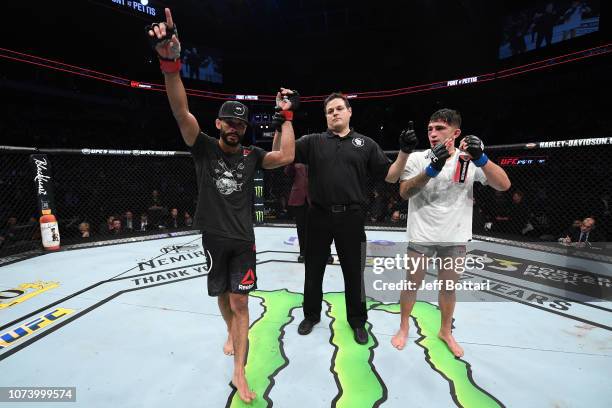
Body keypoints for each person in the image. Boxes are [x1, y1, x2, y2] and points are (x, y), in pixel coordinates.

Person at [147, 8, 296, 403]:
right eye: (229, 122)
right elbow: (181, 110)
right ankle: (229, 331)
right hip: (213, 236)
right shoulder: (204, 148)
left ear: (246, 128)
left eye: (241, 124)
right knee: (221, 297)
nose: (234, 127)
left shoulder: (251, 154)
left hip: (243, 238)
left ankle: (239, 374)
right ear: (218, 124)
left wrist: (286, 116)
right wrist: (170, 64)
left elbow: (286, 156)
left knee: (241, 301)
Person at [294, 92, 418, 344]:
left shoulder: (366, 144)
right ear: (326, 116)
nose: (335, 113)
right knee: (313, 269)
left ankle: (358, 321)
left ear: (349, 111)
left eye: (339, 108)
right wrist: (282, 122)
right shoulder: (313, 141)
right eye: (330, 111)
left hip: (351, 217)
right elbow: (283, 153)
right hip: (317, 214)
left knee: (353, 272)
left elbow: (392, 176)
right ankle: (311, 315)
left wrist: (404, 151)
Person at [393, 108, 511, 356]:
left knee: (448, 287)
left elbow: (504, 184)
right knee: (411, 284)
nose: (433, 134)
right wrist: (430, 170)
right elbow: (404, 192)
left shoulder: (467, 159)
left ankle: (445, 331)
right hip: (421, 235)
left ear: (455, 133)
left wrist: (482, 159)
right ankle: (403, 327)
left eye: (439, 129)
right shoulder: (417, 158)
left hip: (455, 237)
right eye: (430, 129)